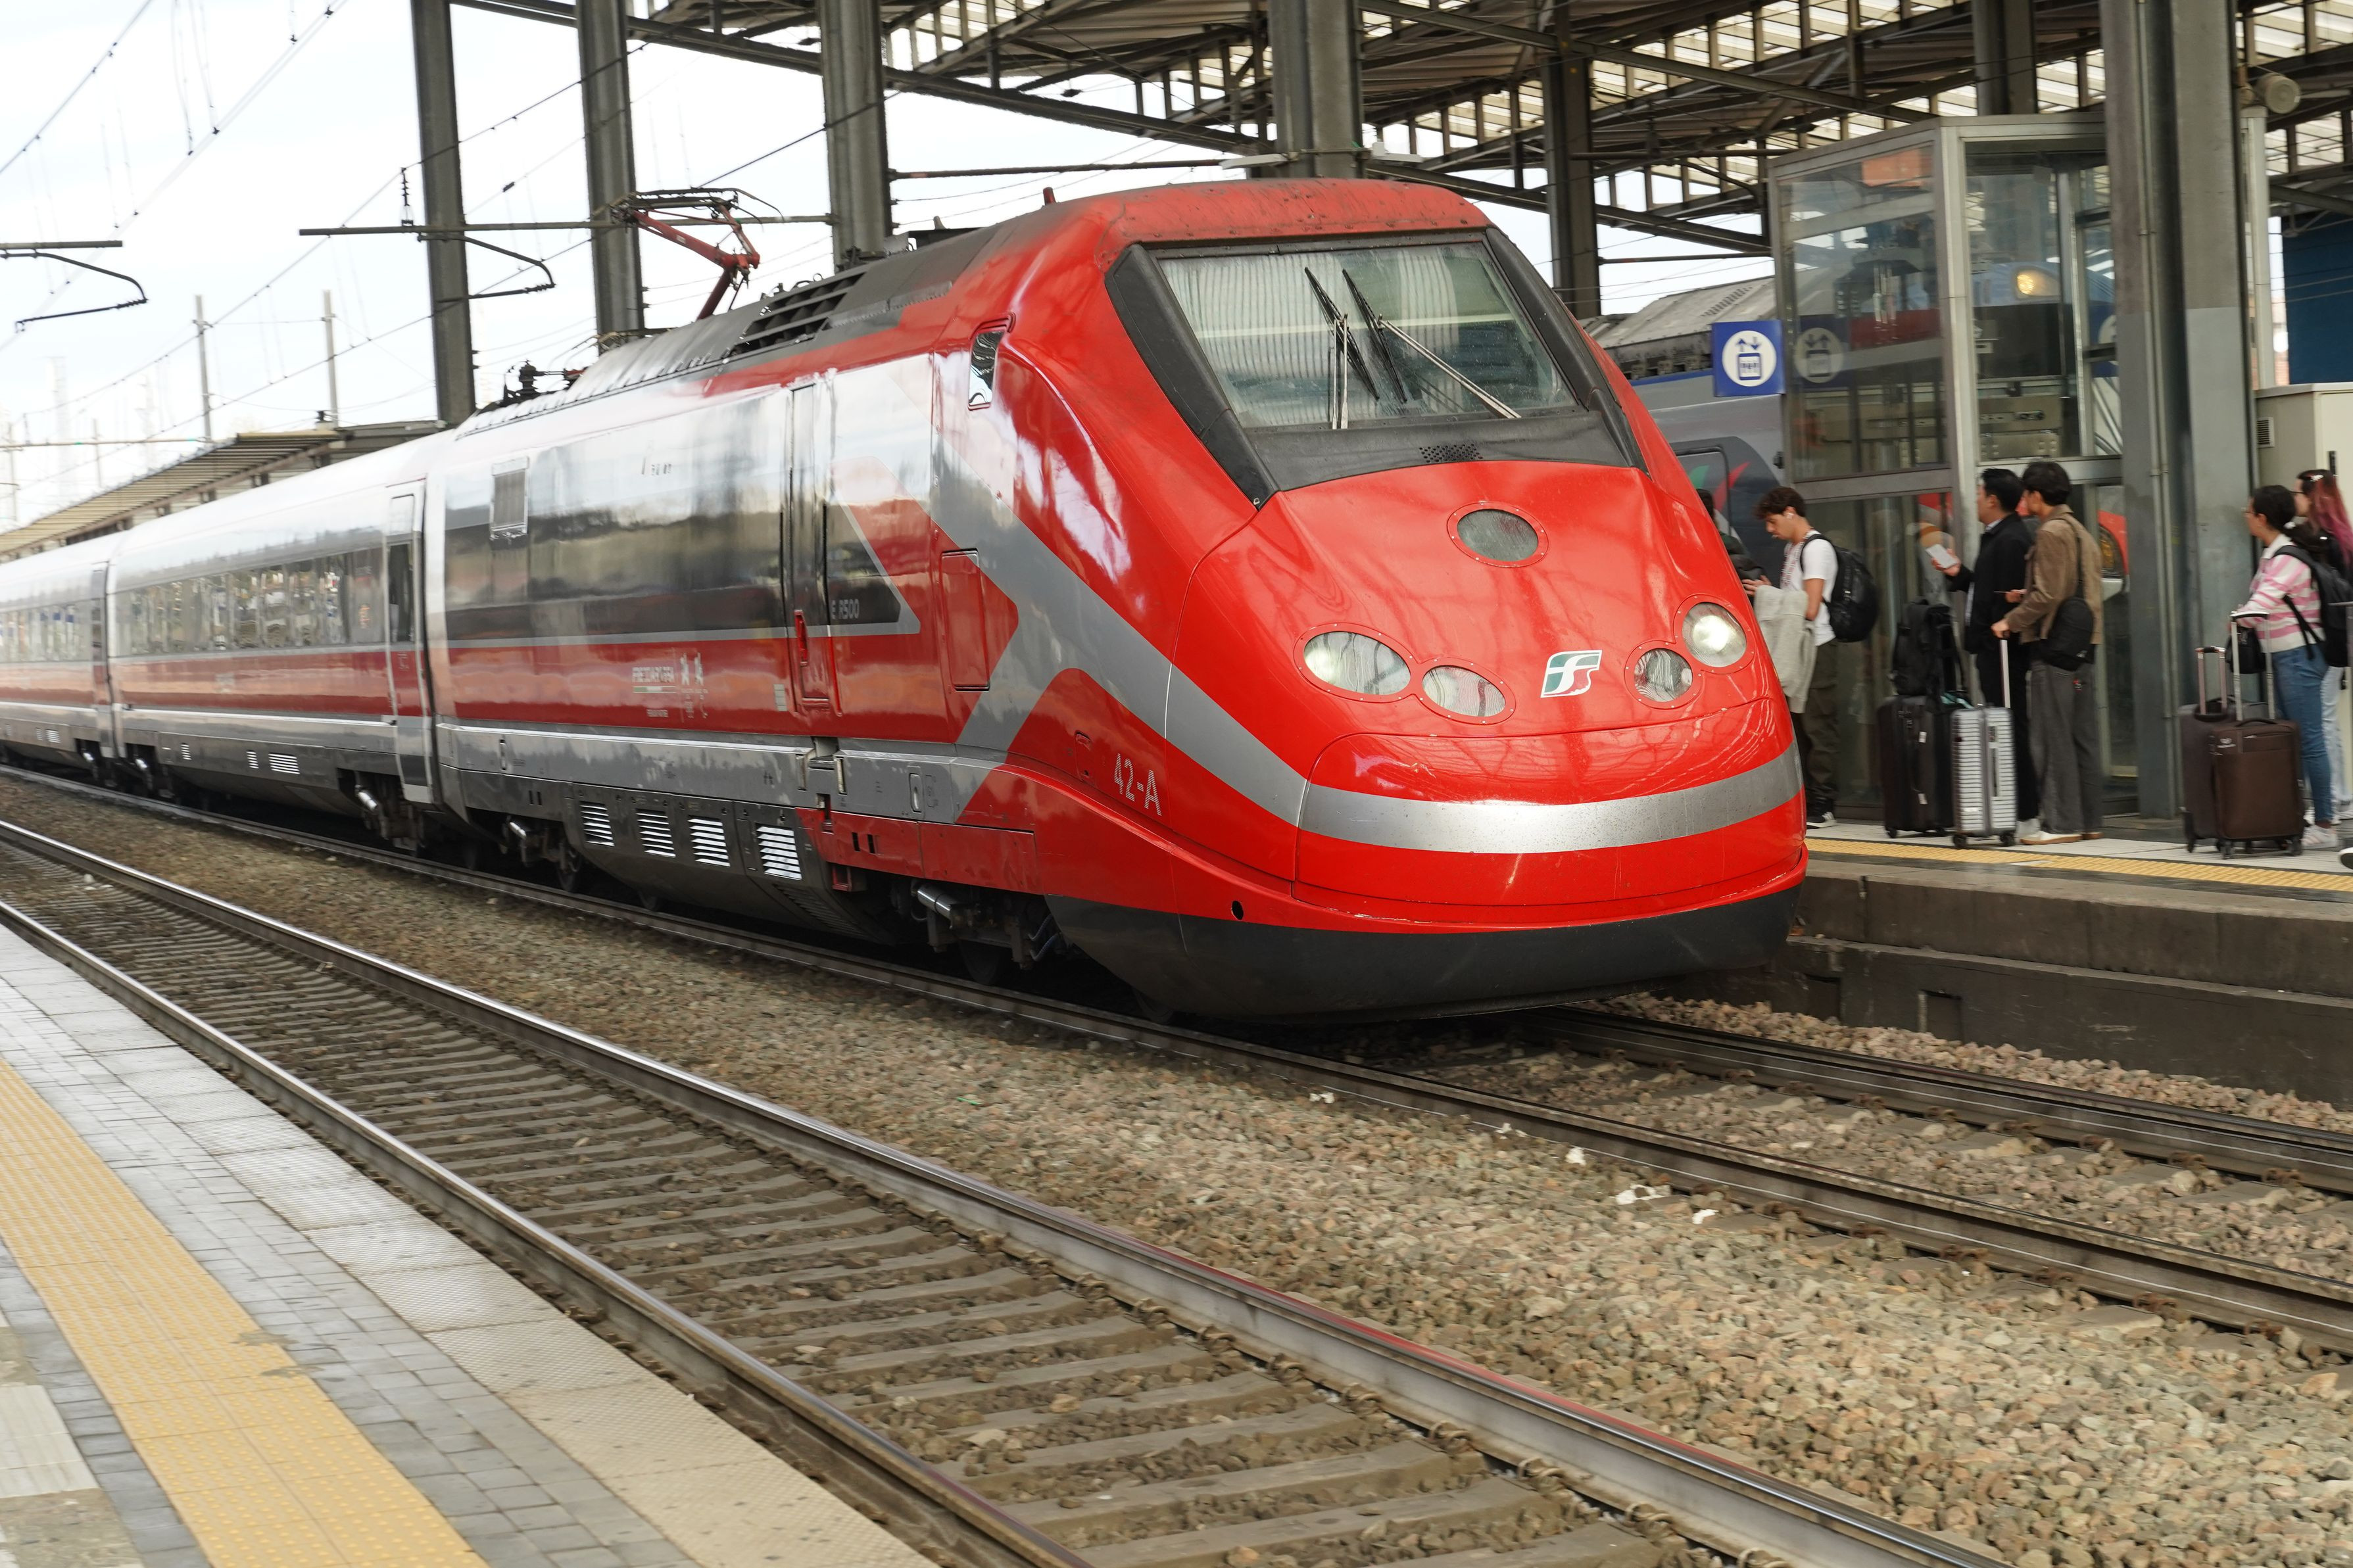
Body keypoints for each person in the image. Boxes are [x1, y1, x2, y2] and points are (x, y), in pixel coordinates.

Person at [1993, 461, 2104, 845]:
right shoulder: (2080, 531)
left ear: (2036, 495)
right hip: (2082, 647)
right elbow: (2069, 588)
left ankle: (2061, 824)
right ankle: (2089, 821)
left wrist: (2011, 620)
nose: (2024, 500)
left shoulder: (2051, 532)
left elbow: (2049, 595)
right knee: (2082, 738)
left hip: (2054, 649)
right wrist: (2028, 595)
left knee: (2053, 738)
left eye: (2027, 493)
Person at [2232, 485, 2339, 851]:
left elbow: (2260, 605)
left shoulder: (2287, 559)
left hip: (2299, 657)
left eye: (2248, 512)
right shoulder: (2274, 555)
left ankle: (2325, 824)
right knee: (2296, 739)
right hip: (2285, 656)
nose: (2246, 517)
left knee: (2310, 740)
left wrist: (2237, 618)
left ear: (2262, 518)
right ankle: (2304, 815)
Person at [1935, 467, 2039, 826]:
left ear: (1993, 500)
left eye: (1979, 494)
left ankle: (2025, 811)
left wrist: (1994, 635)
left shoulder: (2011, 540)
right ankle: (2011, 807)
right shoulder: (1998, 536)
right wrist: (1959, 574)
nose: (1976, 501)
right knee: (2003, 723)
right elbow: (1987, 588)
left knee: (2010, 725)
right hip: (1993, 648)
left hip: (2004, 650)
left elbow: (2010, 599)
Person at [1748, 486, 1838, 826]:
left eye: (1773, 522)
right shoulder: (1794, 549)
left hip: (1818, 647)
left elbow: (1811, 608)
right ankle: (1809, 799)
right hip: (1801, 648)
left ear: (1790, 512)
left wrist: (1769, 594)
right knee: (1800, 725)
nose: (1770, 530)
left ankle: (1824, 804)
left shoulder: (1817, 549)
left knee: (1818, 725)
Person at [2294, 469, 2353, 822]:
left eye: (2298, 494)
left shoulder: (2319, 540)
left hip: (2324, 638)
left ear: (2311, 498)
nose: (2294, 500)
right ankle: (2341, 796)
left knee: (2322, 719)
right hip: (2340, 636)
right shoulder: (2343, 537)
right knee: (2329, 718)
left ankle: (2332, 798)